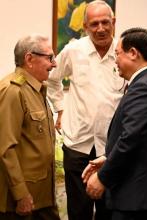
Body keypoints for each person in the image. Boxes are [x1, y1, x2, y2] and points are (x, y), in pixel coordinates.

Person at [82, 27, 147, 220]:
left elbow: (130, 139)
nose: (115, 60)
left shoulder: (144, 87)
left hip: (140, 198)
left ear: (133, 53)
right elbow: (143, 140)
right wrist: (108, 158)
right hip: (141, 195)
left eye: (117, 53)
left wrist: (103, 177)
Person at [47, 1, 124, 220]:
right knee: (78, 211)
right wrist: (60, 109)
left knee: (108, 210)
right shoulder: (73, 50)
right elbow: (52, 80)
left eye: (105, 22)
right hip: (78, 144)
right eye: (94, 24)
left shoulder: (124, 51)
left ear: (114, 23)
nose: (100, 28)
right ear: (85, 26)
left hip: (110, 147)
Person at [0, 34, 60, 220]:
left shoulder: (37, 89)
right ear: (29, 59)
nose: (54, 64)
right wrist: (21, 195)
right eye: (49, 58)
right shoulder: (13, 91)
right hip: (24, 201)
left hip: (42, 196)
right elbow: (6, 148)